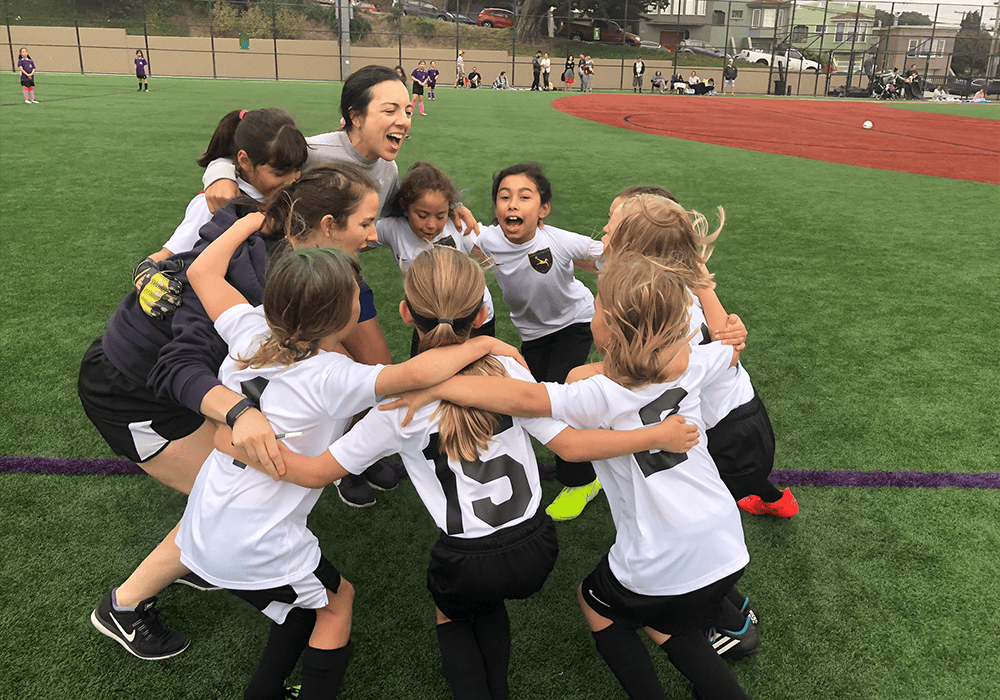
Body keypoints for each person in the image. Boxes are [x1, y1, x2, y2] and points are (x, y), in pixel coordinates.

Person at [241, 246, 698, 700]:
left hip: (466, 559)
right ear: (481, 314)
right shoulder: (511, 371)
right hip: (537, 546)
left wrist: (242, 434)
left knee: (454, 613)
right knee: (489, 604)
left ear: (405, 313)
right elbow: (570, 445)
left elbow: (319, 472)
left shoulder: (396, 405)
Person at [171, 218, 525, 699]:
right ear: (343, 318)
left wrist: (250, 219)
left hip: (206, 519)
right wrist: (485, 341)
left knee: (301, 608)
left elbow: (202, 274)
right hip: (259, 539)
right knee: (337, 604)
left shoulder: (249, 329)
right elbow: (418, 372)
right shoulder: (334, 376)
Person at [387, 252, 755, 700]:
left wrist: (435, 385)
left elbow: (516, 397)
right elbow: (729, 346)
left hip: (659, 549)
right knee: (666, 618)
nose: (591, 311)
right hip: (724, 535)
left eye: (597, 305)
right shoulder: (696, 362)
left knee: (596, 603)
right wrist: (725, 321)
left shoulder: (591, 390)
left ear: (612, 330)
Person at [85, 162, 388, 661]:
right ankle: (124, 604)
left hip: (189, 382)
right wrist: (240, 412)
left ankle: (209, 562)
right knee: (222, 497)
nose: (375, 236)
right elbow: (177, 366)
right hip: (135, 393)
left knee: (231, 494)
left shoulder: (311, 273)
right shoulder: (252, 277)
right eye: (366, 223)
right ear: (328, 227)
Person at [199, 66, 481, 504]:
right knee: (316, 373)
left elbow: (402, 204)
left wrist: (454, 203)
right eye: (390, 109)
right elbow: (250, 157)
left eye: (407, 109)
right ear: (354, 116)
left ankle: (354, 456)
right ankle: (331, 466)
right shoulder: (311, 151)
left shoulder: (387, 168)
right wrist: (217, 172)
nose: (404, 119)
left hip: (346, 279)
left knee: (376, 367)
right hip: (297, 283)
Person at [603, 189, 797, 524]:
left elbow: (723, 358)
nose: (604, 229)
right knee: (737, 481)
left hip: (726, 424)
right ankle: (771, 498)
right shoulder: (670, 288)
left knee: (707, 501)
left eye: (613, 222)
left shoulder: (663, 305)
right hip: (736, 414)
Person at [467, 163, 605, 522]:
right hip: (533, 335)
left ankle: (583, 481)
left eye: (524, 197)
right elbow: (461, 234)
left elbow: (606, 255)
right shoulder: (487, 239)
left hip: (576, 322)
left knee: (555, 396)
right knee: (533, 394)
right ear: (496, 208)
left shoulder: (559, 239)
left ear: (542, 209)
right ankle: (593, 425)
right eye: (504, 196)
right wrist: (455, 213)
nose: (513, 204)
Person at [366, 161, 496, 356]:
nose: (431, 225)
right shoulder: (393, 228)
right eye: (422, 215)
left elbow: (492, 247)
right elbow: (355, 237)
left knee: (475, 381)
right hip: (427, 322)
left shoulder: (458, 224)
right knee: (424, 380)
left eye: (440, 215)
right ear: (405, 206)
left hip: (472, 319)